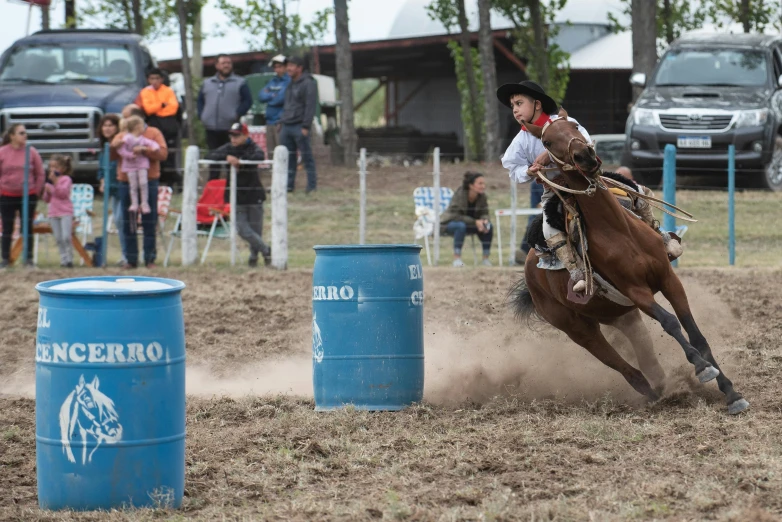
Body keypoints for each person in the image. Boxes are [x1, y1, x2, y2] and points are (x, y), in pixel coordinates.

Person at [498, 80, 593, 293]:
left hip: (586, 182)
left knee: (630, 193)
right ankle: (576, 271)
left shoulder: (564, 122)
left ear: (537, 104)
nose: (514, 109)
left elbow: (586, 142)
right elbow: (513, 169)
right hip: (555, 191)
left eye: (519, 103)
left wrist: (548, 154)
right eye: (513, 105)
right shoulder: (521, 140)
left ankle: (658, 234)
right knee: (549, 227)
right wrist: (529, 171)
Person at [205, 122, 271, 267]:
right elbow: (211, 155)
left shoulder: (253, 147)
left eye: (237, 135)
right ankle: (266, 250)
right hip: (236, 197)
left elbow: (259, 156)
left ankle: (254, 257)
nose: (233, 139)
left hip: (254, 195)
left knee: (256, 230)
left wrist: (240, 162)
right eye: (231, 135)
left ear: (245, 135)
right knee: (242, 229)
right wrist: (228, 157)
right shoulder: (228, 148)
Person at [111, 105, 168, 269]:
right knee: (128, 220)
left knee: (149, 219)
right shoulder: (122, 135)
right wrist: (116, 145)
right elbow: (113, 154)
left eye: (125, 117)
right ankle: (131, 259)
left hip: (148, 179)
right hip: (126, 180)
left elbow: (162, 153)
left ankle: (149, 258)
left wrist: (144, 150)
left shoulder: (153, 133)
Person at [197, 54, 253, 180]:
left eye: (228, 63)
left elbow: (247, 101)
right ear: (217, 65)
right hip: (211, 127)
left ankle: (230, 186)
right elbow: (200, 100)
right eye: (223, 63)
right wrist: (202, 115)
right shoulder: (207, 83)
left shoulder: (240, 82)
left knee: (231, 157)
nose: (226, 65)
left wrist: (237, 114)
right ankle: (213, 185)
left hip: (230, 128)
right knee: (214, 158)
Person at [0, 124, 45, 267]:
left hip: (28, 195)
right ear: (12, 136)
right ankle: (6, 259)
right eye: (21, 133)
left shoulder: (31, 152)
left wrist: (36, 191)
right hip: (6, 194)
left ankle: (28, 259)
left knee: (27, 226)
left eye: (25, 133)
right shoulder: (3, 152)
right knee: (7, 226)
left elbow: (40, 173)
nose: (25, 135)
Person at [279, 55, 318, 194]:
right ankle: (289, 186)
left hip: (300, 126)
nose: (288, 68)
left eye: (291, 65)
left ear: (300, 68)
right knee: (288, 157)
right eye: (288, 65)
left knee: (307, 157)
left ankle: (311, 186)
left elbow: (310, 106)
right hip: (287, 125)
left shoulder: (308, 83)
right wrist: (282, 121)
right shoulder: (290, 83)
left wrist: (306, 126)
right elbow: (287, 105)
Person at [137, 68, 180, 187]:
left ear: (161, 79)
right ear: (148, 80)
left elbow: (173, 108)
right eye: (152, 78)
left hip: (168, 124)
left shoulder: (168, 91)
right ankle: (157, 178)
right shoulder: (145, 92)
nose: (154, 81)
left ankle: (171, 181)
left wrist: (157, 109)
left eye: (157, 78)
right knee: (154, 150)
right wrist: (162, 104)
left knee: (170, 152)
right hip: (154, 123)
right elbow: (148, 109)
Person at [440, 172, 493, 267]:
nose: (483, 186)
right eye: (480, 183)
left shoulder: (482, 197)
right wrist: (475, 222)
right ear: (471, 185)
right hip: (450, 224)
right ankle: (457, 259)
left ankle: (486, 259)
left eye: (483, 183)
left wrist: (484, 221)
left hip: (471, 225)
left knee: (489, 226)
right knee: (460, 226)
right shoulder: (460, 195)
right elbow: (455, 215)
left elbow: (485, 212)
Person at [97, 114, 128, 265]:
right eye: (105, 126)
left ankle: (127, 254)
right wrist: (103, 181)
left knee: (122, 220)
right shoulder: (104, 149)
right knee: (117, 220)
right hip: (112, 191)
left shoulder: (120, 145)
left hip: (123, 187)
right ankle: (124, 254)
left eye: (111, 125)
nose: (107, 129)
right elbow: (101, 169)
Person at [117, 115, 161, 217]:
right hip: (130, 165)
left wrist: (154, 148)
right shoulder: (127, 138)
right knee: (133, 185)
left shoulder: (142, 139)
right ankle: (135, 203)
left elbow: (151, 143)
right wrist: (130, 155)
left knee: (143, 183)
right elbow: (121, 150)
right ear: (137, 126)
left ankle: (144, 203)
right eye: (142, 125)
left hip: (142, 164)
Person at [41, 155, 74, 267]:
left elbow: (63, 194)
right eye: (51, 167)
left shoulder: (66, 179)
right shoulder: (50, 182)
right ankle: (63, 259)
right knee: (58, 238)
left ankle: (69, 259)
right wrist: (47, 190)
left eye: (55, 167)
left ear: (63, 168)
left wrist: (54, 184)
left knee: (66, 237)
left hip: (65, 212)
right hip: (53, 213)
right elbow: (46, 199)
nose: (52, 170)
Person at [258, 54, 290, 154]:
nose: (277, 69)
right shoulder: (272, 81)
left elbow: (281, 98)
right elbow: (261, 96)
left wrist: (270, 95)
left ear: (285, 67)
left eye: (279, 66)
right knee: (271, 151)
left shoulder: (289, 81)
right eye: (275, 67)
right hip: (269, 121)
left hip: (281, 121)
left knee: (282, 151)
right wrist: (273, 95)